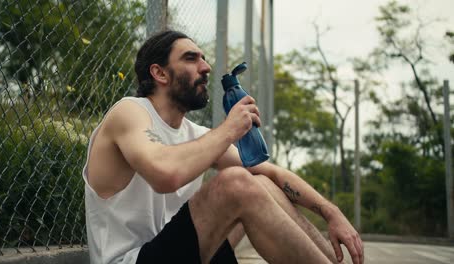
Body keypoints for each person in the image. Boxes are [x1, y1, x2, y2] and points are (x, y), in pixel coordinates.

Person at [82, 30, 364, 264]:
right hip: (134, 260)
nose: (205, 67)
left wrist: (332, 213)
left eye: (203, 59)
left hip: (182, 253)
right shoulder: (129, 112)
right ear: (160, 73)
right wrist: (229, 129)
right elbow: (165, 174)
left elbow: (273, 173)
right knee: (235, 183)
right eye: (191, 59)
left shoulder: (195, 134)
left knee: (261, 182)